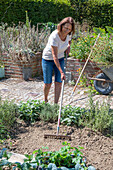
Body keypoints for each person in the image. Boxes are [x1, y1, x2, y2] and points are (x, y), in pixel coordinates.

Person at [42, 17, 75, 104]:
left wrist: (68, 47)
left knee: (59, 82)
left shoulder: (68, 35)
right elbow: (54, 56)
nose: (66, 30)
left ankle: (56, 104)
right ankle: (45, 100)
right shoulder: (54, 36)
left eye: (69, 29)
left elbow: (69, 41)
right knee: (48, 82)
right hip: (48, 59)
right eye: (65, 27)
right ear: (61, 26)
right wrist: (62, 72)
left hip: (60, 58)